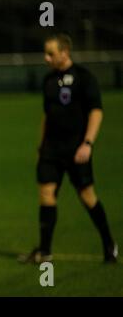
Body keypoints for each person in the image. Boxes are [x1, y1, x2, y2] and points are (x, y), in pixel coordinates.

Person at [19, 33, 118, 264]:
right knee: (46, 194)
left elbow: (96, 111)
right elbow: (48, 115)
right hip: (51, 150)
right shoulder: (49, 81)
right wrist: (40, 146)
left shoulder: (84, 78)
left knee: (87, 196)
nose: (46, 58)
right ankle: (45, 251)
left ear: (65, 53)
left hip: (76, 149)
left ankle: (109, 243)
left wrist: (88, 144)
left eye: (50, 53)